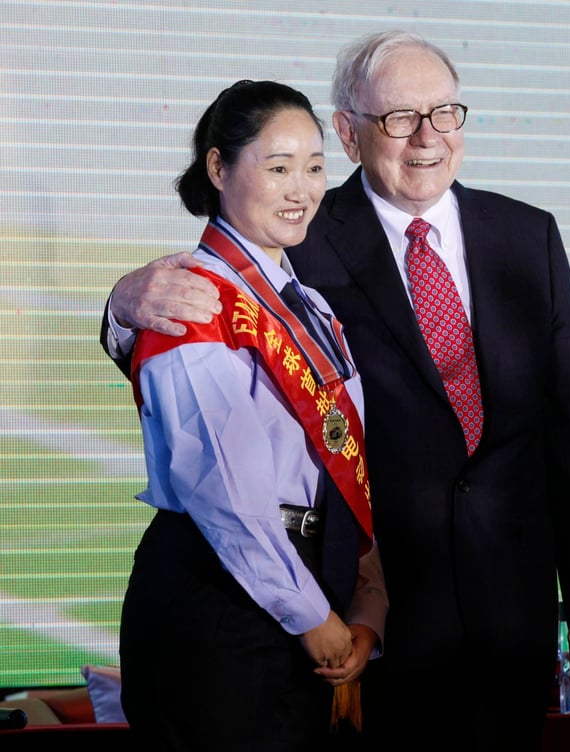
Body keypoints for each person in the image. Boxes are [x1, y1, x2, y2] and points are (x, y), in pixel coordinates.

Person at [102, 31, 570, 751]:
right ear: (351, 134)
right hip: (361, 619)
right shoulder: (294, 234)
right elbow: (199, 345)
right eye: (399, 117)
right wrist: (121, 307)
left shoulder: (527, 234)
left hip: (508, 610)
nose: (427, 136)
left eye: (444, 112)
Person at [116, 79, 387, 751]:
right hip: (223, 599)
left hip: (306, 584)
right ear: (218, 168)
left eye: (315, 167)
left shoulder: (311, 307)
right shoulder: (185, 300)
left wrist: (365, 595)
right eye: (278, 168)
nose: (302, 190)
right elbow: (223, 492)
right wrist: (312, 618)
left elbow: (340, 457)